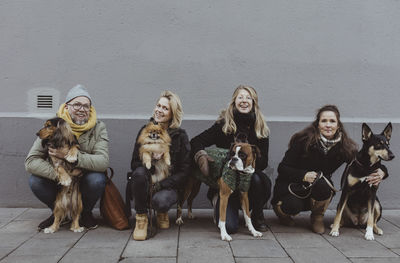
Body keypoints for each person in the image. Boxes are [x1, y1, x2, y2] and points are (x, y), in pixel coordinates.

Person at [271, 105, 366, 234]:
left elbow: (364, 162)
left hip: (319, 187)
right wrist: (304, 175)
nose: (328, 125)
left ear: (338, 125)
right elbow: (282, 168)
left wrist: (382, 172)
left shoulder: (345, 147)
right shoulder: (303, 140)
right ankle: (281, 212)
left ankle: (317, 217)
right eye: (324, 121)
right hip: (293, 186)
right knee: (292, 206)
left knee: (323, 185)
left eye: (332, 121)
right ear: (317, 124)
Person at [25, 84, 109, 230]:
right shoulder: (53, 125)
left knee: (97, 179)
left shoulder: (98, 127)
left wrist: (73, 157)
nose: (81, 109)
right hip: (58, 179)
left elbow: (102, 161)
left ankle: (85, 213)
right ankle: (58, 213)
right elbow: (31, 161)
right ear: (67, 106)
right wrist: (61, 175)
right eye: (77, 104)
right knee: (35, 181)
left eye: (86, 106)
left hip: (83, 178)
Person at [190, 85, 271, 234]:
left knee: (260, 180)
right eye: (240, 97)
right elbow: (196, 141)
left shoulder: (260, 128)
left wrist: (247, 161)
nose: (244, 101)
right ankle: (217, 198)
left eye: (248, 98)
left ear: (254, 102)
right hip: (225, 181)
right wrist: (201, 155)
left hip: (248, 179)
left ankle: (257, 215)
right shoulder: (224, 124)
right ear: (234, 101)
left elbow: (264, 161)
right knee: (230, 227)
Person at [130, 91, 190, 241]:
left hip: (168, 185)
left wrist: (162, 185)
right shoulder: (145, 130)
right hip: (148, 179)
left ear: (172, 114)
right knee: (138, 173)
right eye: (158, 106)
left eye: (165, 108)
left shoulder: (180, 136)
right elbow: (134, 163)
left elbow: (184, 171)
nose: (159, 110)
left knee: (160, 201)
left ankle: (162, 212)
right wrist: (150, 161)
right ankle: (141, 219)